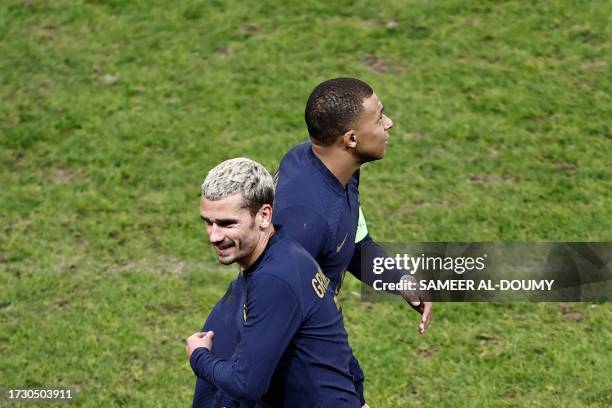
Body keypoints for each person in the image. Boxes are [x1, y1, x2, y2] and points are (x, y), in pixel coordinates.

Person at [272, 77, 433, 406]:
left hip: (324, 340)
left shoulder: (338, 169)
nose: (389, 123)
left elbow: (353, 241)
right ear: (352, 139)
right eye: (379, 118)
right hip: (299, 361)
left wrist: (398, 279)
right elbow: (273, 305)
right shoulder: (304, 216)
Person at [186, 158, 361, 407]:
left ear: (264, 215)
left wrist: (199, 355)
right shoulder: (285, 252)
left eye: (227, 223)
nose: (214, 236)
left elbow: (247, 384)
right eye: (207, 221)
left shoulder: (274, 279)